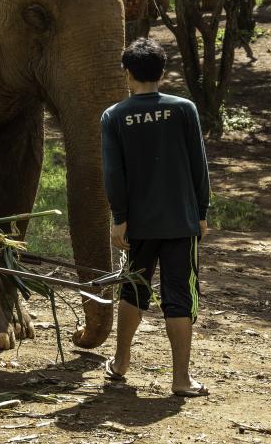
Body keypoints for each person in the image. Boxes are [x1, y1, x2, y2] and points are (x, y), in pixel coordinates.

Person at [100, 37, 210, 396]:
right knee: (179, 295)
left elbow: (114, 174)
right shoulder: (184, 109)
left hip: (139, 224)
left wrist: (119, 218)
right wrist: (202, 212)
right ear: (163, 72)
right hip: (181, 222)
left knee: (133, 288)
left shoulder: (114, 116)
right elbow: (199, 166)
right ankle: (181, 379)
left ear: (127, 73)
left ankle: (120, 363)